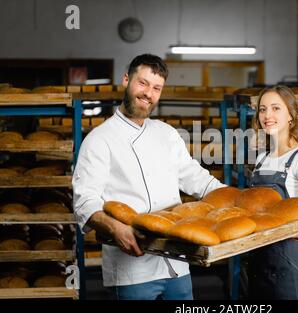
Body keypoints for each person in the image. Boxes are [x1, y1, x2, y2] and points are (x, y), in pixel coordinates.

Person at [72, 53, 226, 300]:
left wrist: (235, 200)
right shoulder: (99, 139)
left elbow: (196, 177)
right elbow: (84, 200)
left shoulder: (166, 133)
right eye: (142, 83)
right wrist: (116, 228)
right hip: (134, 270)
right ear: (126, 80)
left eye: (156, 88)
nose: (148, 93)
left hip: (177, 264)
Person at [246, 85, 298, 300]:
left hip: (289, 263)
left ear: (291, 115)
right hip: (258, 260)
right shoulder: (262, 159)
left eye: (275, 108)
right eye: (262, 110)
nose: (267, 115)